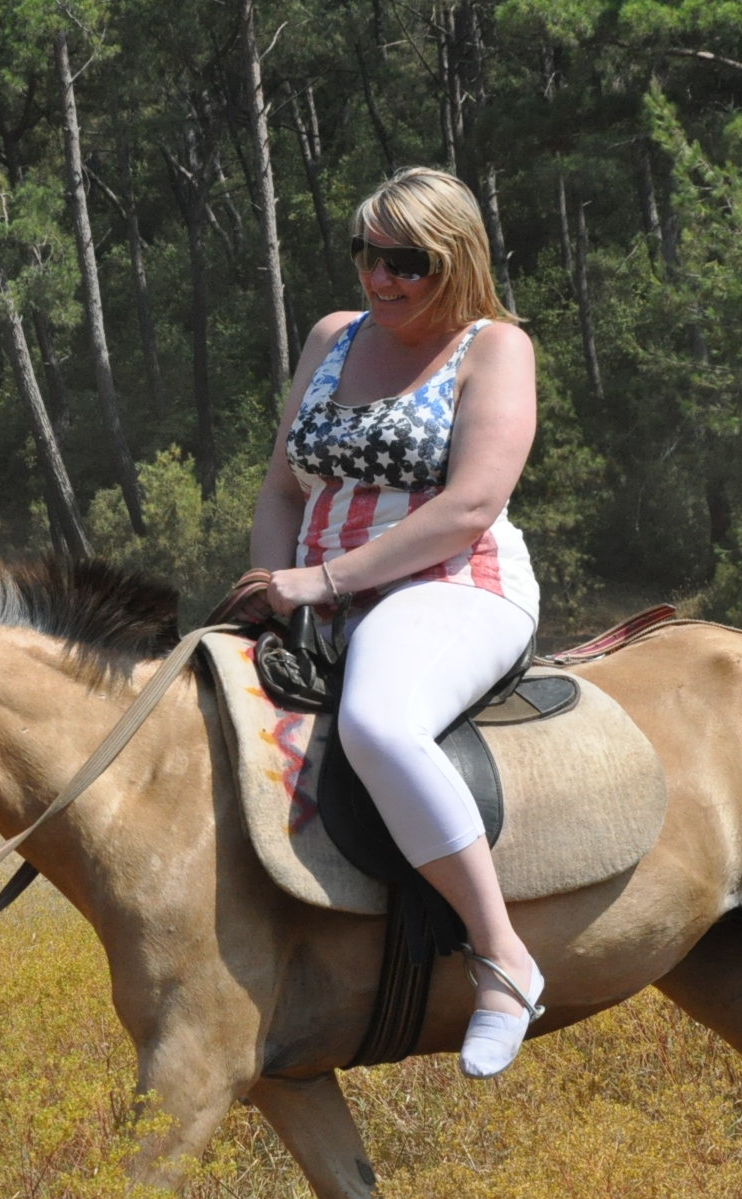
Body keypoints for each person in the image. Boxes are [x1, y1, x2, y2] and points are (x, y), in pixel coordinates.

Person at [249, 166, 544, 1078]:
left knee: (378, 720)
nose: (381, 278)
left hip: (453, 585)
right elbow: (282, 485)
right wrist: (269, 587)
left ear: (454, 260)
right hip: (320, 588)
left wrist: (324, 580)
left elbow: (469, 506)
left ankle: (504, 961)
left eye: (407, 261)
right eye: (366, 254)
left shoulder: (494, 347)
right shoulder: (334, 336)